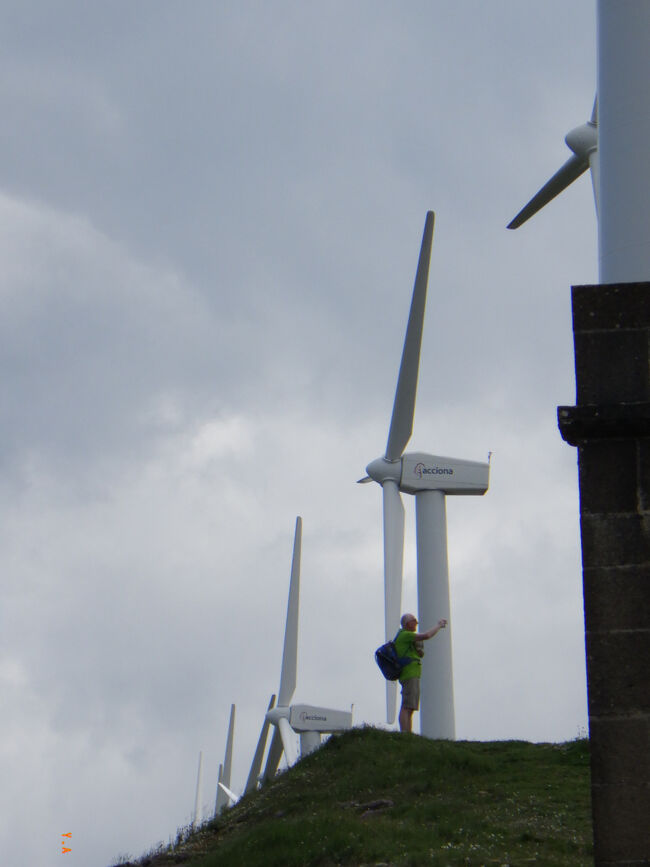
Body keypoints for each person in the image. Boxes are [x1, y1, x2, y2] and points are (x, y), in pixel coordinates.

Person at [394, 612, 447, 733]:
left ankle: (408, 733)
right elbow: (427, 635)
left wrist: (418, 649)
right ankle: (405, 733)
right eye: (414, 620)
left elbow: (420, 654)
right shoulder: (405, 635)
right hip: (409, 674)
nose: (416, 623)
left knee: (410, 707)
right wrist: (439, 625)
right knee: (407, 706)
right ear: (408, 623)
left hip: (413, 674)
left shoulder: (408, 637)